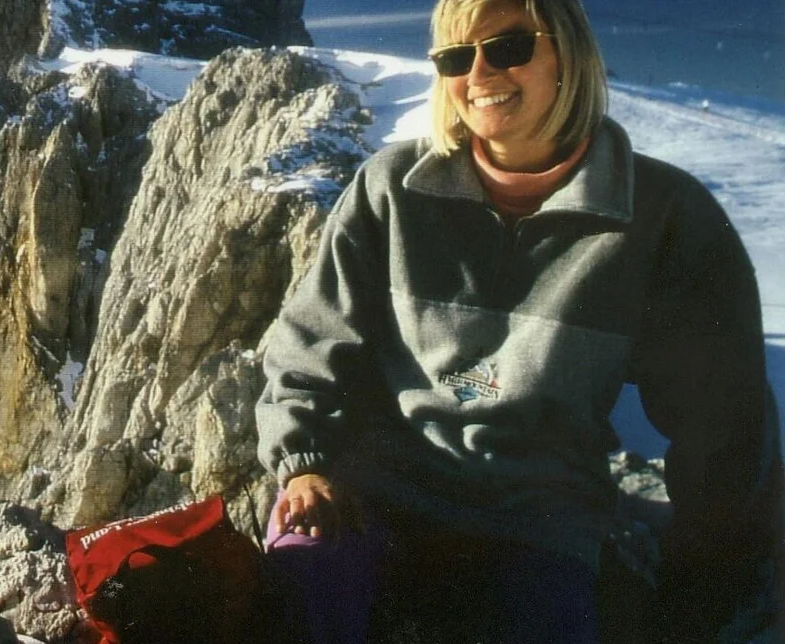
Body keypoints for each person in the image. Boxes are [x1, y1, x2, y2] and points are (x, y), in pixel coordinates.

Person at [253, 0, 783, 641]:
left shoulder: (663, 217)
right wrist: (304, 462)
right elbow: (311, 344)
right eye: (456, 56)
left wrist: (709, 575)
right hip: (377, 492)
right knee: (294, 605)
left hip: (537, 517)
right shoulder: (391, 190)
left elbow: (724, 417)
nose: (479, 72)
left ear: (569, 53)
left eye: (508, 46)